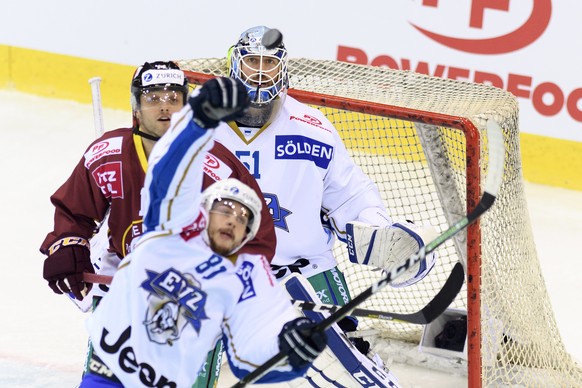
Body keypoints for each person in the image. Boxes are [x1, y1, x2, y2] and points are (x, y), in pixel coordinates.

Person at [208, 25, 440, 387]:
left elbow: (350, 196)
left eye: (269, 63)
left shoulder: (313, 129)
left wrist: (383, 236)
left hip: (306, 276)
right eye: (252, 60)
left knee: (346, 374)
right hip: (218, 274)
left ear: (282, 70)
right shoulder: (197, 127)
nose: (259, 71)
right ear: (234, 63)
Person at [80, 76, 327, 387]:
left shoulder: (248, 275)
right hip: (106, 379)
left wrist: (289, 353)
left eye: (243, 219)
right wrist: (198, 120)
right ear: (205, 212)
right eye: (225, 210)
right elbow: (169, 171)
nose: (233, 221)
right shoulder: (170, 229)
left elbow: (249, 355)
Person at [40, 61, 276, 386]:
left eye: (173, 97)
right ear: (136, 107)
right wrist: (68, 244)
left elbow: (257, 239)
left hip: (189, 305)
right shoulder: (109, 153)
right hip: (122, 296)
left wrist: (224, 288)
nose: (164, 105)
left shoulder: (218, 168)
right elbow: (74, 211)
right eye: (153, 97)